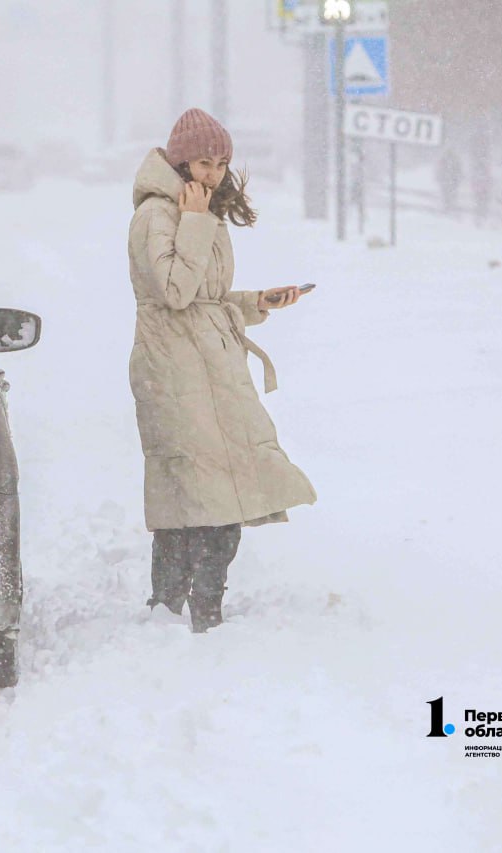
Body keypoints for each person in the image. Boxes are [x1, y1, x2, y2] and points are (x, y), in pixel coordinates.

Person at [127, 107, 317, 633]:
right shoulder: (160, 215)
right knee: (198, 494)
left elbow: (202, 298)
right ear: (181, 162)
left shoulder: (197, 211)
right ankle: (181, 611)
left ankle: (188, 609)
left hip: (209, 366)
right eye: (203, 162)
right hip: (176, 371)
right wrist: (194, 221)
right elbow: (172, 291)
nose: (212, 173)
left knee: (211, 491)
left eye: (220, 163)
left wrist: (257, 301)